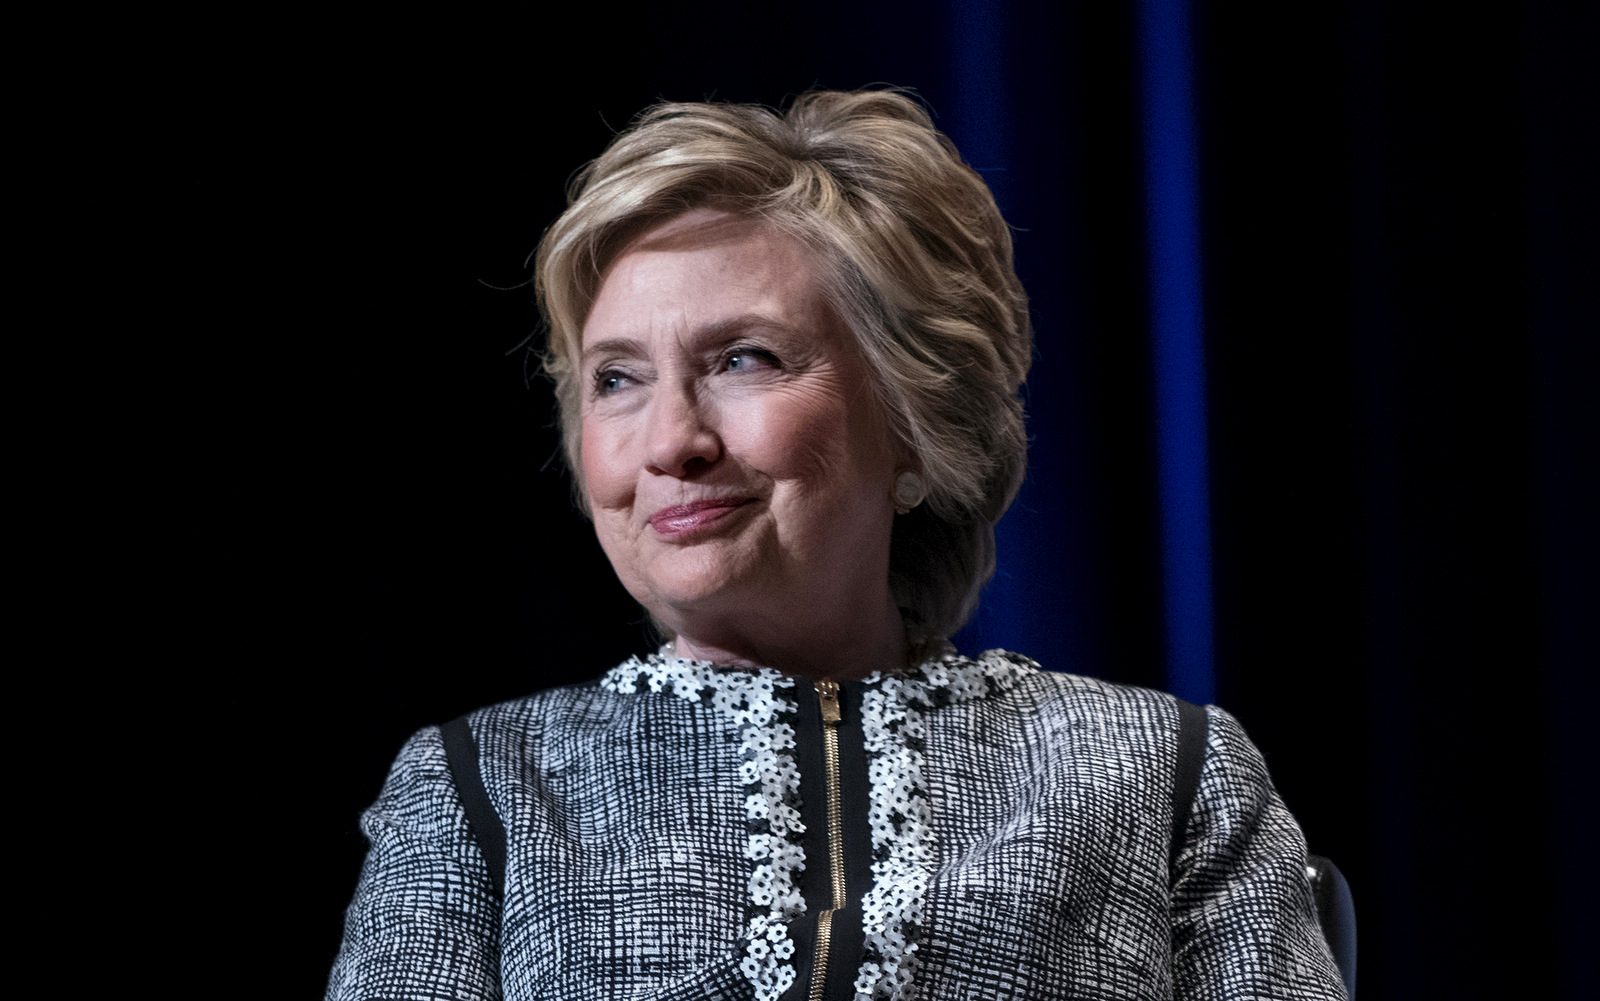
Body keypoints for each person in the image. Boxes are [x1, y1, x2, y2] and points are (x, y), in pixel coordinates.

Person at [326, 90, 1346, 1001]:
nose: (671, 442)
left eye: (743, 358)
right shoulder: (478, 786)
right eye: (617, 379)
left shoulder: (1162, 772)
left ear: (913, 421)